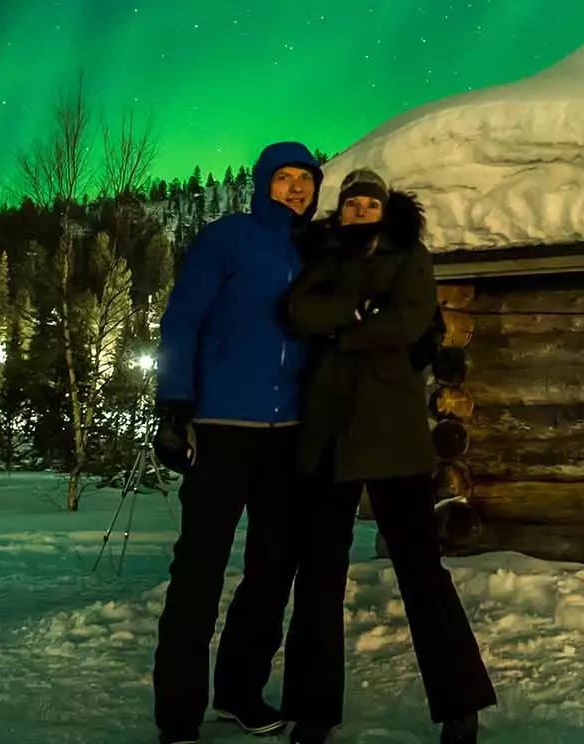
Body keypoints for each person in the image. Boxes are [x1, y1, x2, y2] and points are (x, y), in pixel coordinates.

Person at [279, 169, 497, 744]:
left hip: (392, 435)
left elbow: (407, 319)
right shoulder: (322, 253)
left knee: (421, 572)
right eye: (350, 204)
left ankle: (460, 704)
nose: (358, 212)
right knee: (319, 574)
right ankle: (313, 709)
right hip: (329, 433)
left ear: (385, 208)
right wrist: (359, 313)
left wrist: (343, 331)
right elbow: (299, 314)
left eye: (368, 204)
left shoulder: (410, 255)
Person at [150, 141, 324, 744]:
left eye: (306, 178)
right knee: (199, 571)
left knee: (272, 572)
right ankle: (178, 712)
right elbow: (182, 319)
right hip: (222, 428)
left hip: (289, 435)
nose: (297, 188)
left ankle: (239, 693)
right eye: (285, 178)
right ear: (263, 184)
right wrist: (174, 403)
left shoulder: (315, 247)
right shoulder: (228, 238)